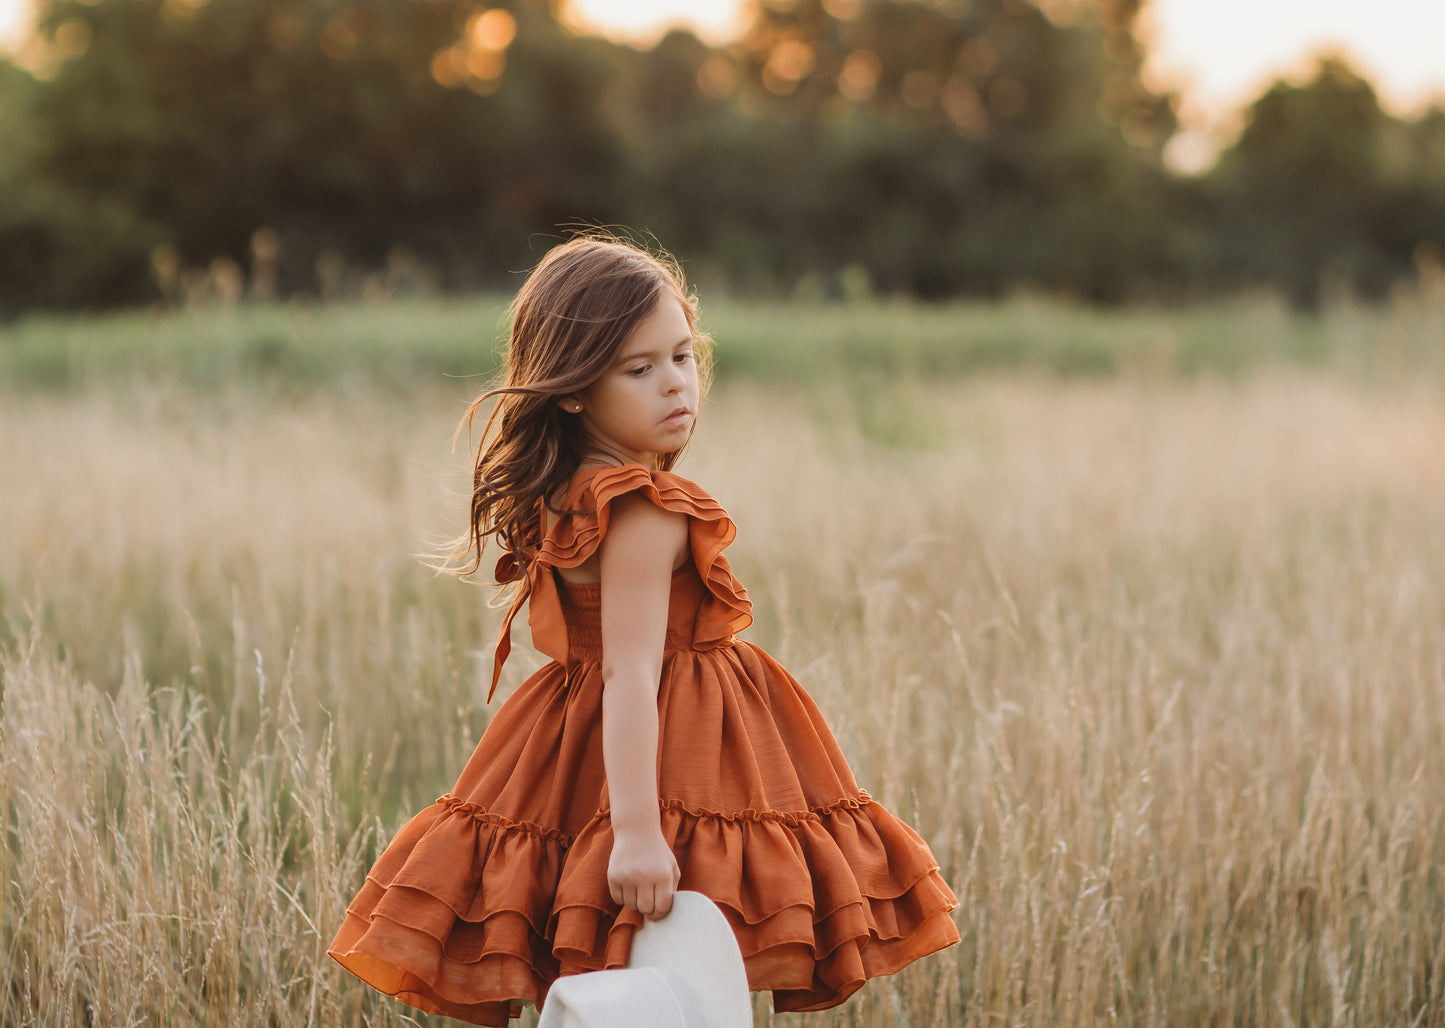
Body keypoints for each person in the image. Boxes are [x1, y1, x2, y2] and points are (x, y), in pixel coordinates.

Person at [327, 234, 960, 1025]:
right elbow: (631, 671)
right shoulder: (643, 508)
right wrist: (633, 835)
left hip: (575, 737)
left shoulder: (572, 490)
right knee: (683, 966)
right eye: (640, 368)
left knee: (629, 970)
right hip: (671, 751)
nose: (676, 386)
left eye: (683, 358)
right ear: (571, 390)